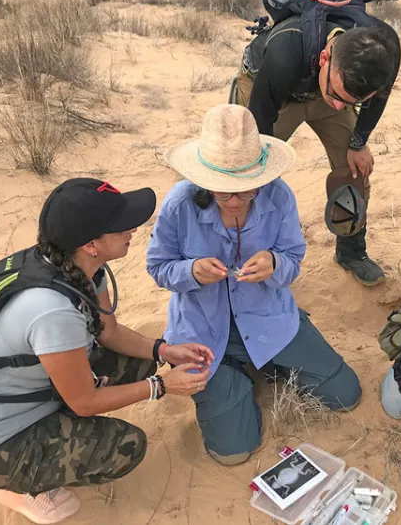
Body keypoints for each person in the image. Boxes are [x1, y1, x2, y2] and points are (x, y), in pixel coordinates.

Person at [0, 178, 214, 525]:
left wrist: (164, 350)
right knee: (125, 447)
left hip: (29, 393)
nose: (133, 229)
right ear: (91, 243)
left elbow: (108, 331)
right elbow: (84, 402)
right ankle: (16, 486)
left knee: (141, 361)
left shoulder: (76, 268)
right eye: (120, 226)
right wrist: (161, 386)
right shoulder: (52, 311)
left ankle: (46, 435)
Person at [146, 104, 362, 466]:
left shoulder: (279, 196)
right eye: (222, 191)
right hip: (202, 332)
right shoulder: (179, 204)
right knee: (233, 453)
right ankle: (238, 377)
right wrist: (192, 271)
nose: (233, 201)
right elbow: (157, 267)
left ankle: (263, 362)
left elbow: (292, 260)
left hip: (268, 319)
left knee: (347, 395)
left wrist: (275, 264)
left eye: (245, 191)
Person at [232, 9, 401, 287]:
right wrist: (256, 163)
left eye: (350, 101)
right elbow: (261, 132)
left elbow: (377, 98)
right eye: (339, 97)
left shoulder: (384, 50)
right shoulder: (284, 53)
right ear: (325, 57)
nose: (339, 106)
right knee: (246, 172)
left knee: (354, 170)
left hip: (321, 84)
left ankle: (351, 251)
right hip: (272, 89)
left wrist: (358, 142)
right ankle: (247, 257)